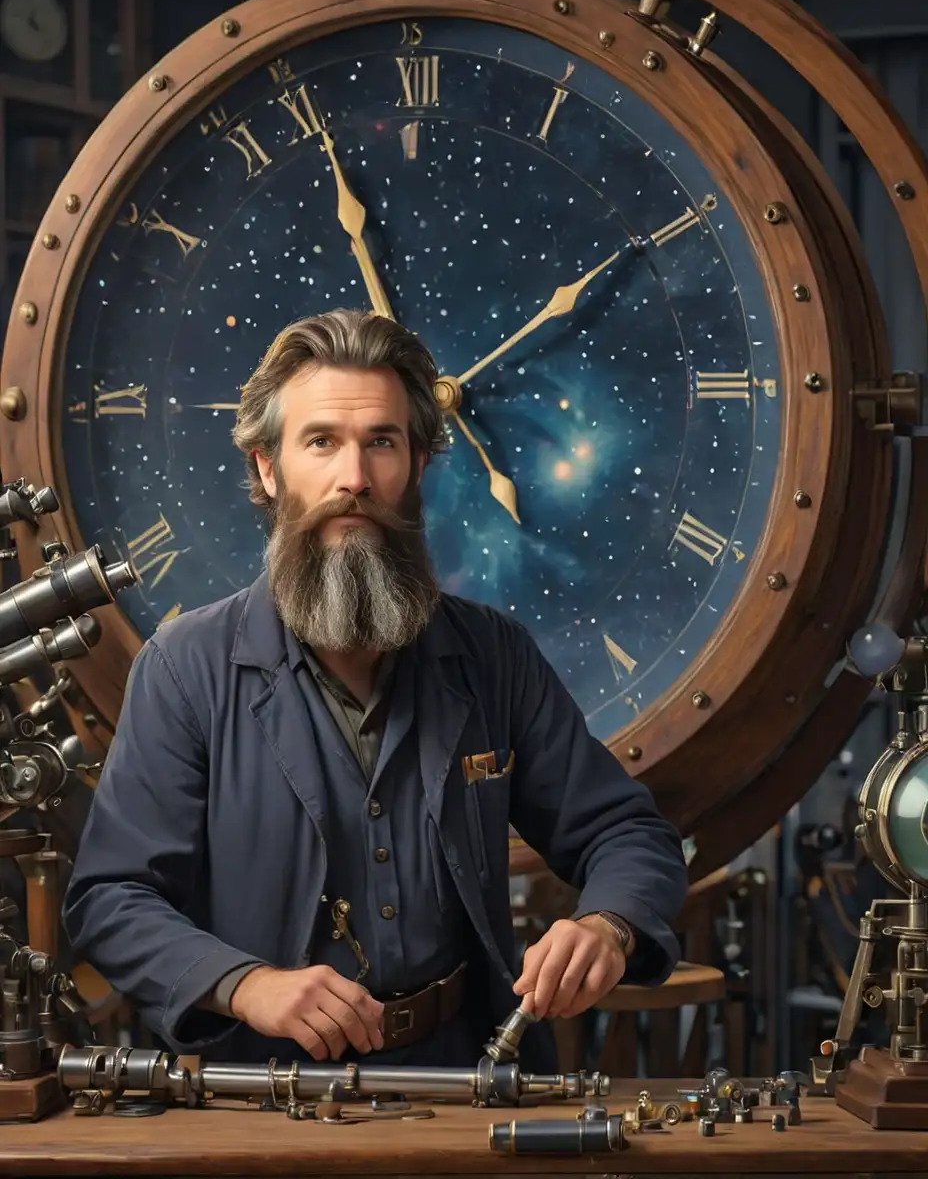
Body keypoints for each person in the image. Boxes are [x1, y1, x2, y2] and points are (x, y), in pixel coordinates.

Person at [63, 309, 688, 1073]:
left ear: (419, 462)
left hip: (469, 1075)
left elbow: (627, 834)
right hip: (260, 1091)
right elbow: (111, 896)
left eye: (381, 443)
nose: (353, 477)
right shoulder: (184, 666)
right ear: (268, 467)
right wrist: (244, 984)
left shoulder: (494, 655)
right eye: (321, 441)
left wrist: (609, 925)